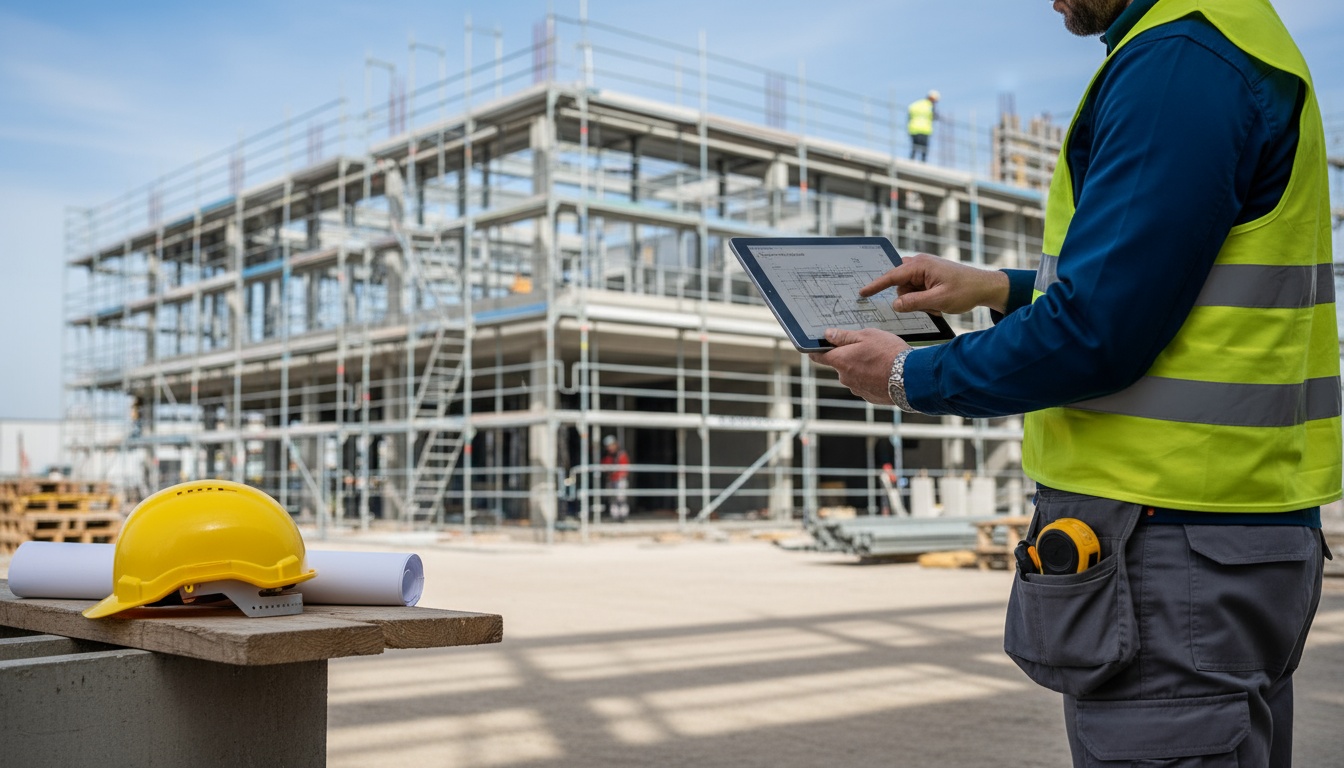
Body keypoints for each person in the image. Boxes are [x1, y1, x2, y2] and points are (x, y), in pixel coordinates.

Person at [812, 1, 1336, 765]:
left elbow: (1097, 332)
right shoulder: (1232, 40)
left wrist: (905, 373)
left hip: (1169, 544)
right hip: (1226, 533)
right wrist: (994, 286)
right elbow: (1159, 291)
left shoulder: (1177, 65)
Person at [601, 435, 631, 522]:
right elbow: (604, 466)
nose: (610, 448)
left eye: (611, 445)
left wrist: (619, 476)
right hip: (611, 480)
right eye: (608, 446)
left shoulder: (621, 455)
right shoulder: (607, 457)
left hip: (620, 480)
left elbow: (625, 468)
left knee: (621, 498)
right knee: (612, 499)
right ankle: (614, 516)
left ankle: (622, 517)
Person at [907, 89, 939, 162]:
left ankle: (911, 161)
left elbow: (910, 113)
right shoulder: (930, 106)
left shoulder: (916, 104)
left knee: (914, 148)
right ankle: (923, 163)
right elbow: (934, 116)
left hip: (913, 129)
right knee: (924, 149)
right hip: (924, 130)